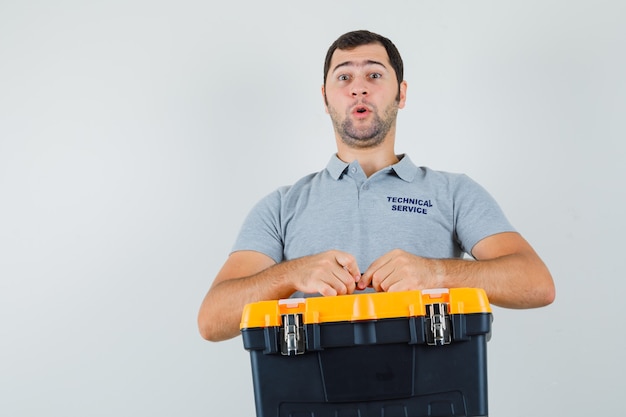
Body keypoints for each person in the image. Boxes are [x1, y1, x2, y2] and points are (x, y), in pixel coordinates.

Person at [198, 30, 555, 342]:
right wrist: (293, 273)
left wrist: (436, 272)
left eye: (374, 74)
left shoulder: (454, 192)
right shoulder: (280, 206)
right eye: (344, 77)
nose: (359, 88)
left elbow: (537, 284)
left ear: (401, 94)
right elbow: (213, 320)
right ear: (325, 98)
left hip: (432, 392)